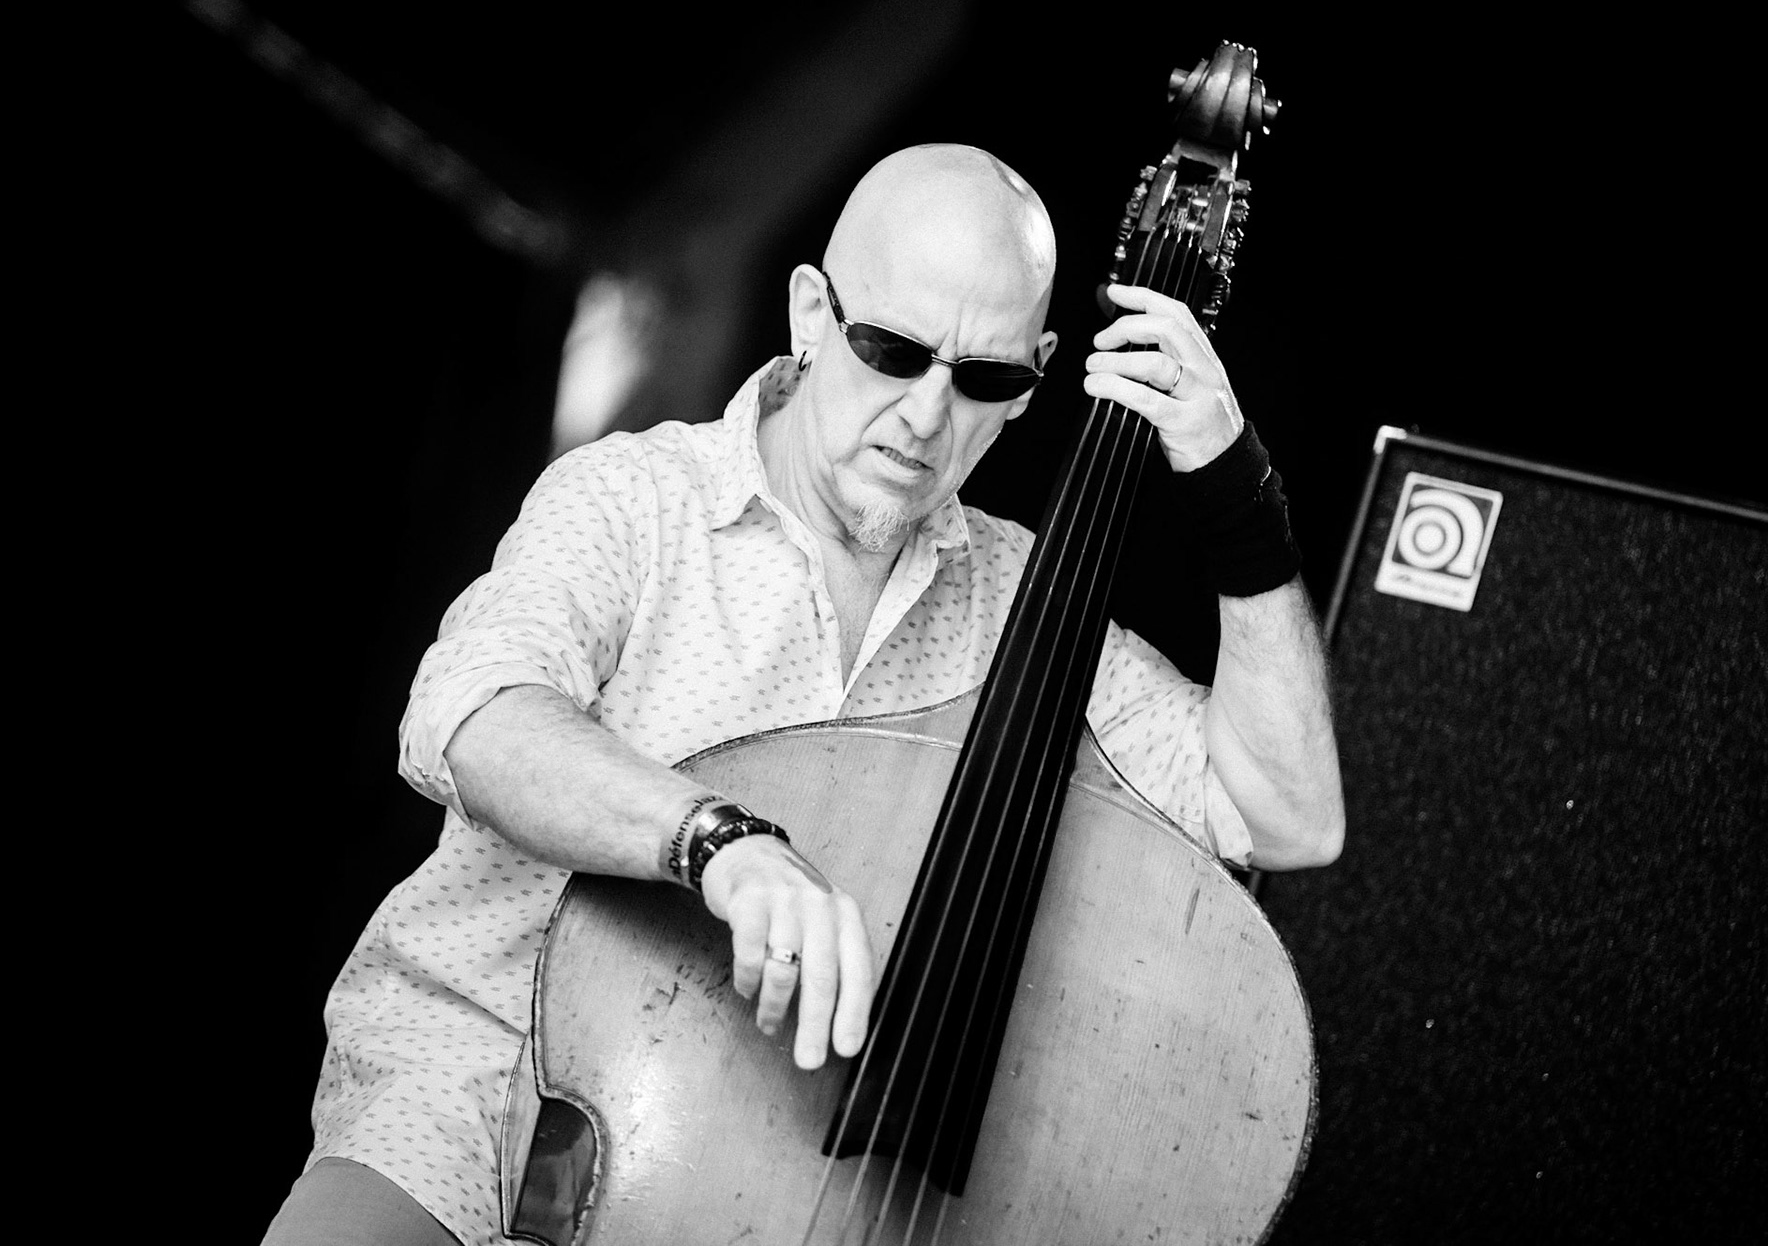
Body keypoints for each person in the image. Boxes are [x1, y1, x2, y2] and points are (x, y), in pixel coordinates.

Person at [262, 143, 1344, 1246]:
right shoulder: (639, 496)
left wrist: (1240, 501)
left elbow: (1282, 817)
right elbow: (471, 712)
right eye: (891, 349)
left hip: (752, 1181)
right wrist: (719, 841)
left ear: (1035, 380)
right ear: (811, 314)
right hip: (463, 1106)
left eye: (984, 378)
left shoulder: (1034, 611)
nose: (927, 416)